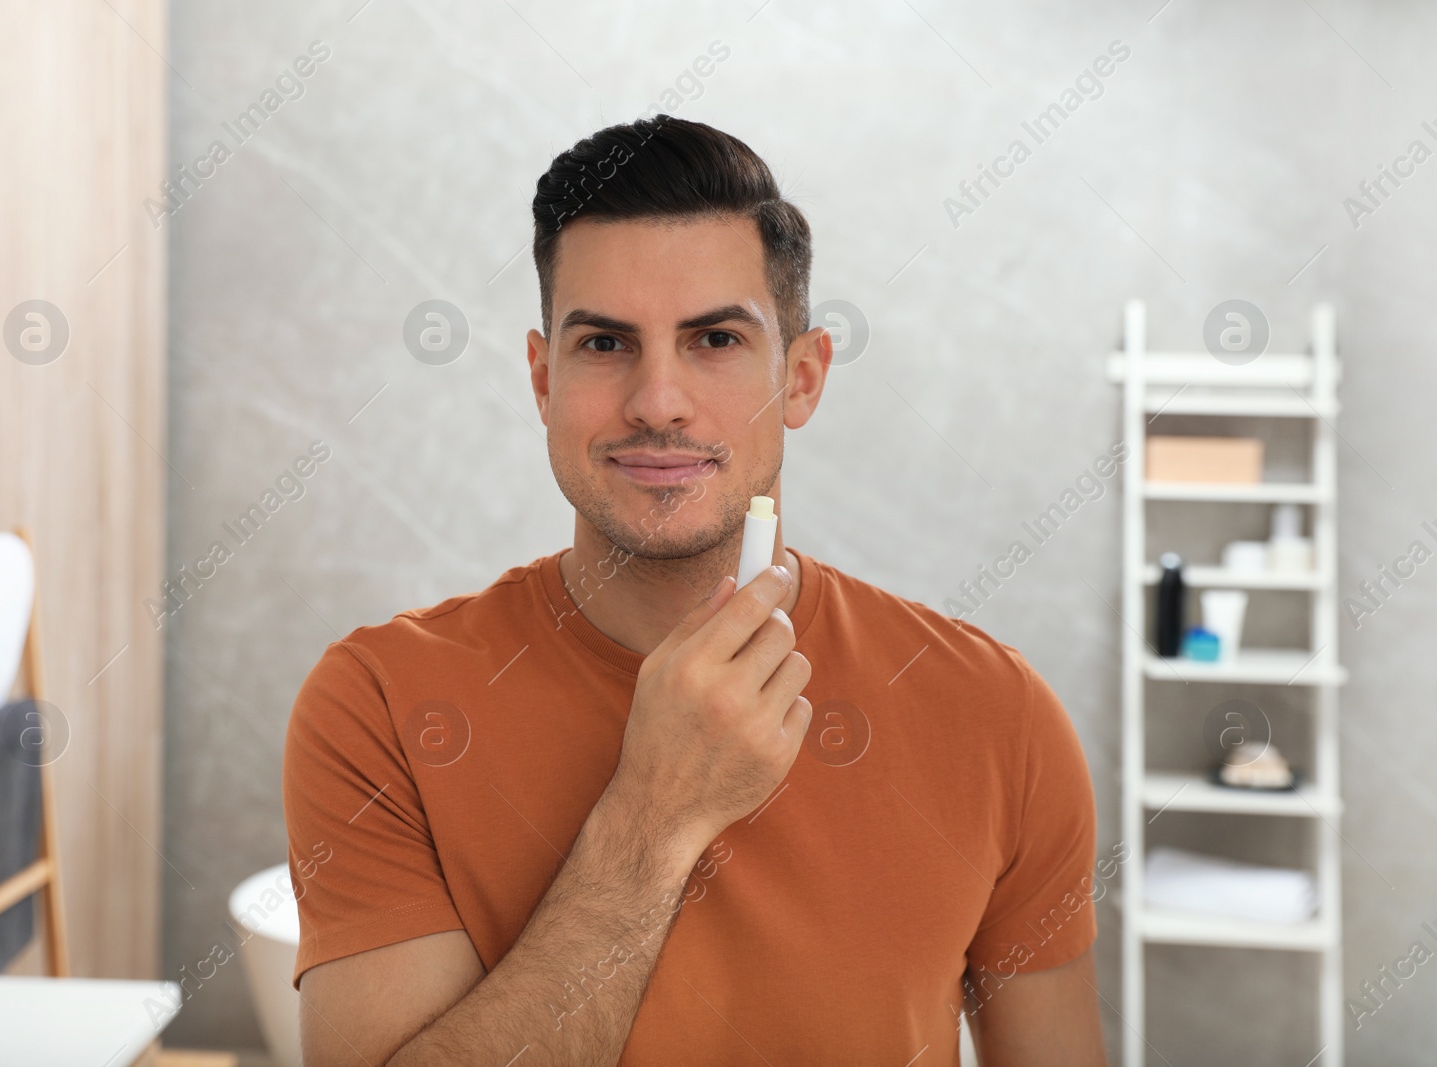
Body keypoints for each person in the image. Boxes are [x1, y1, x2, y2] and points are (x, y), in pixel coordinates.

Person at [284, 115, 1106, 1066]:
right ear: (543, 380)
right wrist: (656, 814)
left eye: (714, 338)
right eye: (604, 344)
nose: (659, 400)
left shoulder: (997, 714)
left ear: (800, 378)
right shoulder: (378, 705)